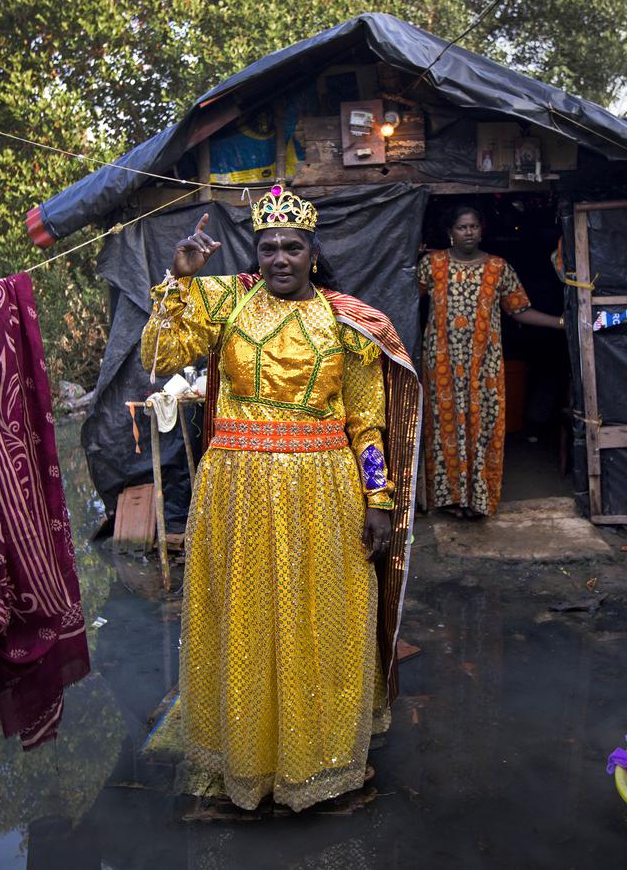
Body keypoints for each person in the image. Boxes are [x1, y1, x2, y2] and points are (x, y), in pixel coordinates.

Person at [140, 186, 421, 812]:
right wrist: (178, 281)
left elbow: (367, 421)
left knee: (319, 614)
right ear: (256, 252)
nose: (279, 258)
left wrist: (380, 498)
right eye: (268, 247)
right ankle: (245, 757)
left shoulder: (347, 322)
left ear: (313, 252)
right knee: (242, 614)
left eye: (292, 247)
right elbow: (159, 358)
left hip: (323, 486)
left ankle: (315, 758)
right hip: (234, 485)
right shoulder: (224, 301)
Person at [417, 205, 563, 518]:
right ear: (449, 233)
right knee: (444, 426)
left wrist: (563, 323)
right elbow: (404, 299)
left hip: (484, 365)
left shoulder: (498, 267)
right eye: (461, 227)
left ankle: (478, 499)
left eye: (473, 226)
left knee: (482, 426)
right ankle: (451, 499)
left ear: (481, 230)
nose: (468, 232)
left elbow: (520, 310)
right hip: (441, 363)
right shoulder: (433, 265)